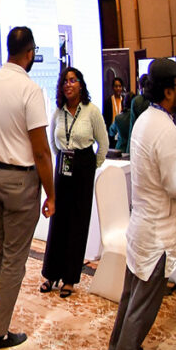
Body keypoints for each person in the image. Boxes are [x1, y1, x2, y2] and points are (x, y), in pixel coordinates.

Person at [0, 27, 56, 350]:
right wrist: (51, 193)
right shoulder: (30, 90)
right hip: (20, 180)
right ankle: (0, 333)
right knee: (14, 258)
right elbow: (41, 151)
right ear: (30, 53)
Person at [105, 58, 176, 350]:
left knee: (130, 296)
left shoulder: (144, 120)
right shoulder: (165, 129)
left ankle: (116, 349)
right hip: (156, 232)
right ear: (168, 91)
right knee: (143, 305)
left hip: (141, 227)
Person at [41, 67, 108, 298]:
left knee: (78, 223)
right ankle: (51, 274)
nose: (68, 85)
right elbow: (53, 142)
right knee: (58, 220)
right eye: (65, 81)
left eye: (72, 80)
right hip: (64, 165)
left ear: (81, 84)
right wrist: (63, 158)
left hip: (83, 166)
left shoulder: (91, 111)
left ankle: (69, 278)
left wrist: (91, 166)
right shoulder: (58, 113)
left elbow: (103, 143)